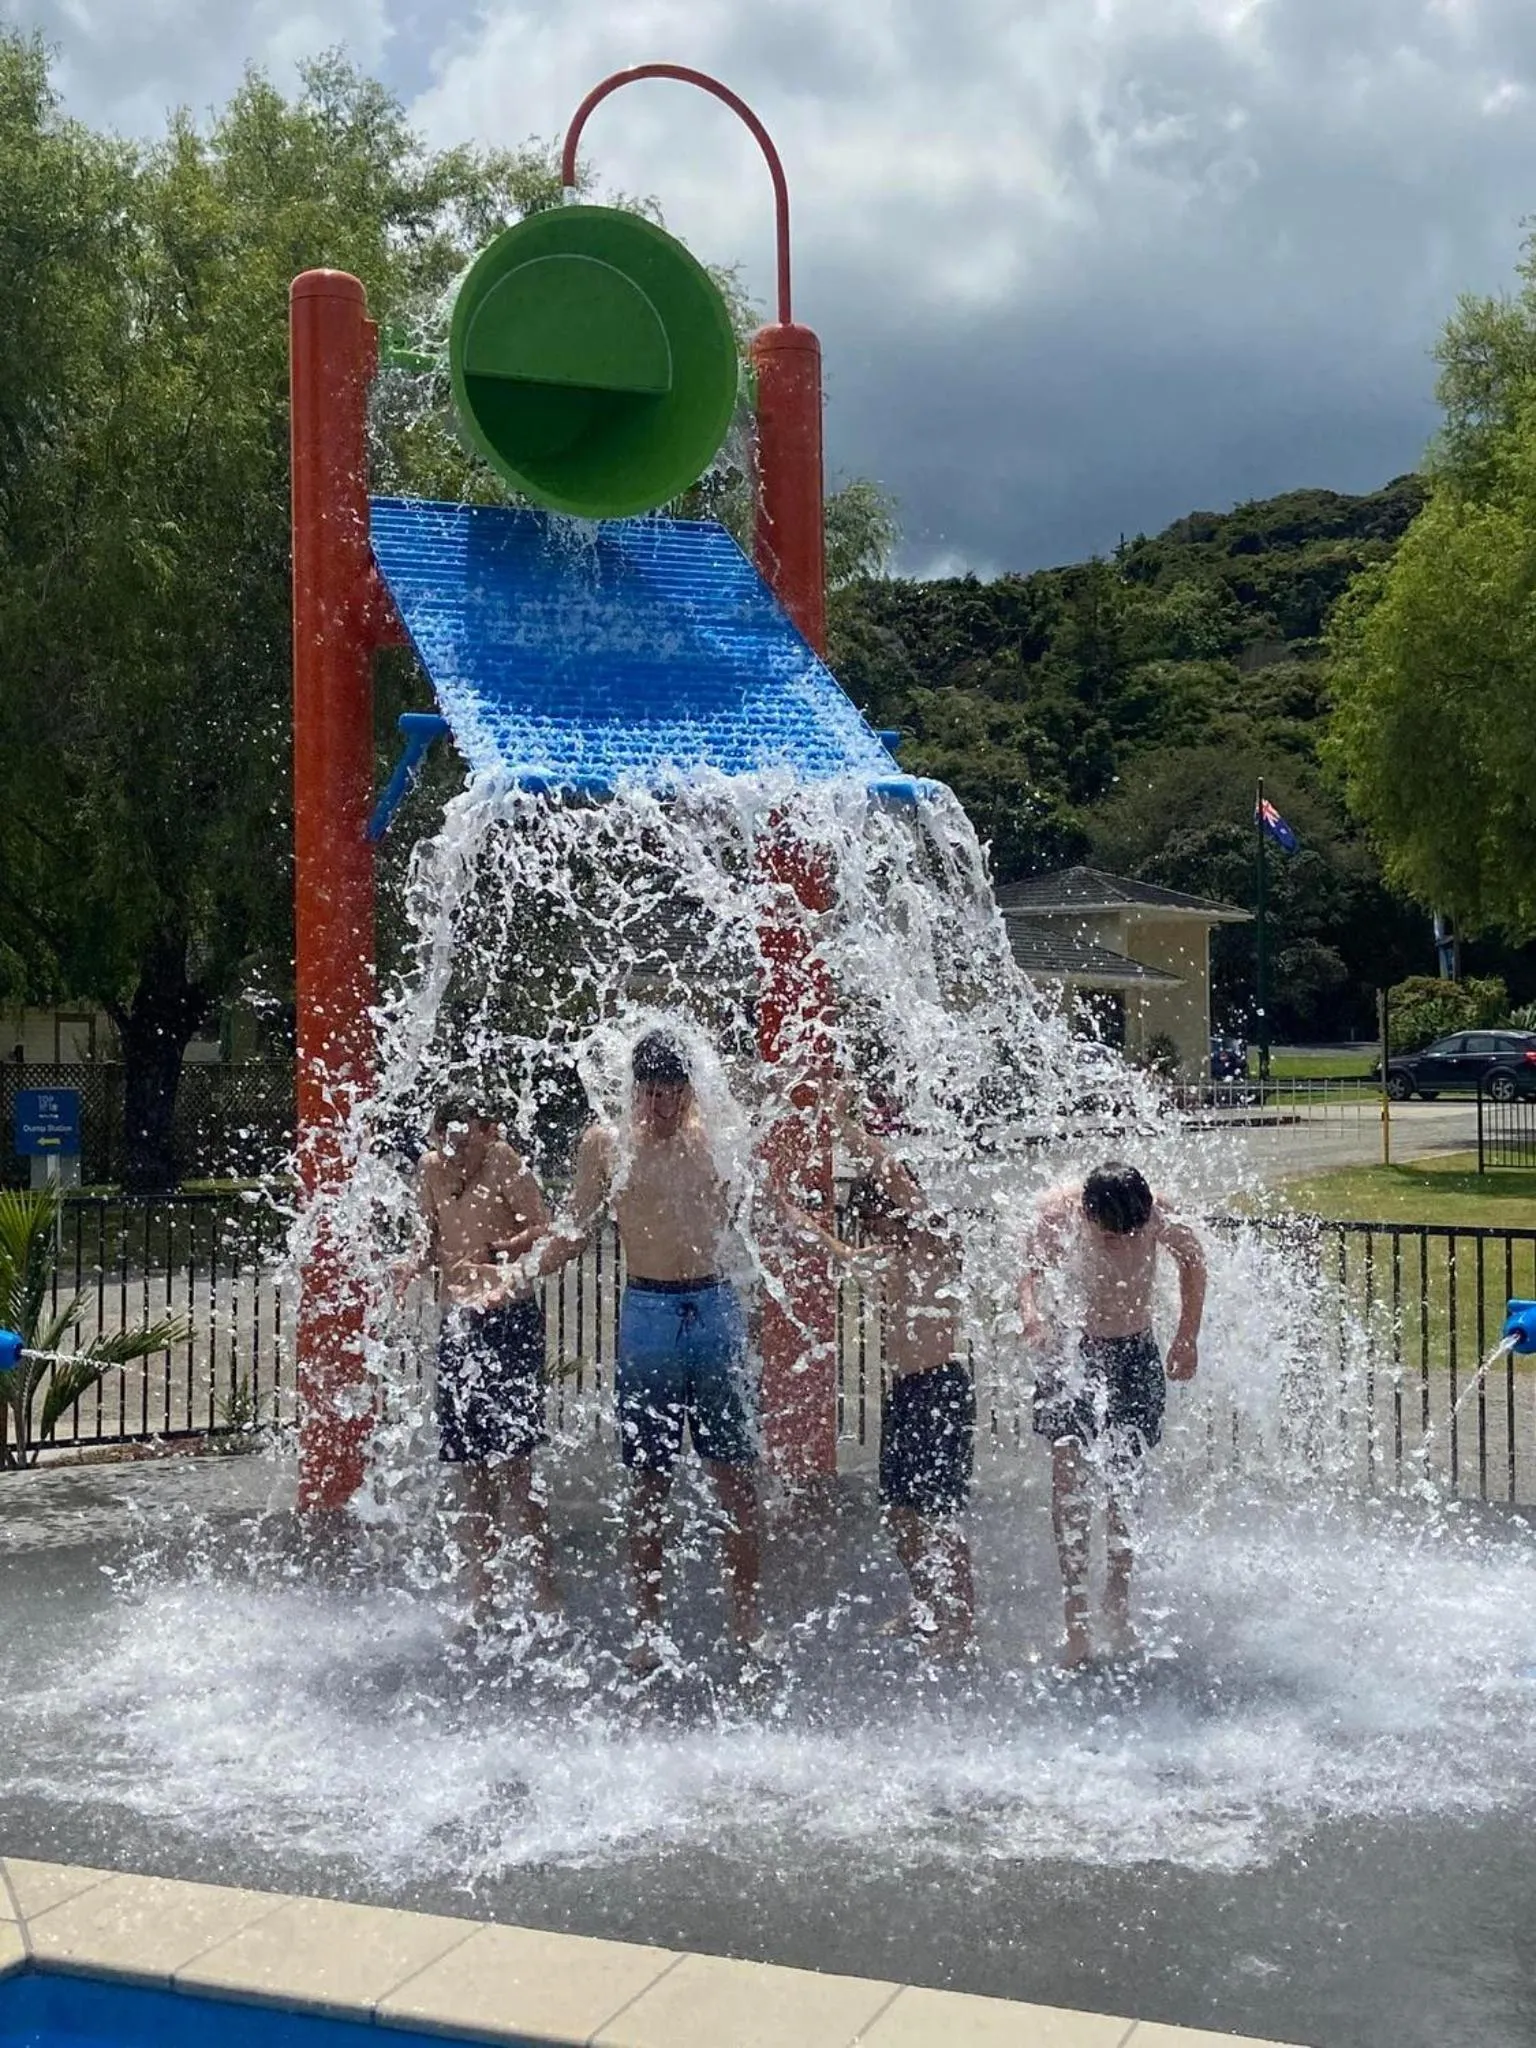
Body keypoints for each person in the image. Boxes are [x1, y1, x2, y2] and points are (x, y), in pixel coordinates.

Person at [509, 1030, 765, 1676]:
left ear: (689, 1090)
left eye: (673, 1093)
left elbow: (766, 1180)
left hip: (712, 1306)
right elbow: (574, 1227)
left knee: (734, 1477)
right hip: (646, 1312)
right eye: (650, 1093)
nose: (661, 1107)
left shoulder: (717, 1136)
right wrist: (516, 1277)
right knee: (649, 1482)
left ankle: (747, 1623)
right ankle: (648, 1628)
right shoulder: (607, 1145)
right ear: (634, 1090)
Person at [794, 1101, 976, 1654]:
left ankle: (962, 1621)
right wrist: (781, 1205)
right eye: (867, 1222)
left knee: (941, 1516)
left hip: (941, 1390)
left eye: (877, 1218)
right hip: (904, 1395)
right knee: (899, 1514)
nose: (873, 1229)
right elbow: (831, 1249)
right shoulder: (887, 1256)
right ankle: (924, 1602)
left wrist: (848, 1127)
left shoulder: (934, 1244)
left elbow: (896, 1179)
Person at [1019, 1161, 1206, 1670]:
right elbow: (1030, 1274)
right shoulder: (1058, 1211)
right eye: (1109, 1235)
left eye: (1133, 1234)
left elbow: (1193, 1261)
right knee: (1067, 1478)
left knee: (1125, 1482)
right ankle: (1076, 1612)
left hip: (1134, 1353)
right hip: (1074, 1353)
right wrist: (1032, 1314)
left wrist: (1187, 1334)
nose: (1123, 1243)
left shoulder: (1156, 1211)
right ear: (1086, 1212)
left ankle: (1117, 1599)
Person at [395, 1101, 559, 1636]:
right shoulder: (429, 1168)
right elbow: (428, 1237)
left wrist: (501, 1253)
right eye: (450, 1141)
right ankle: (481, 1591)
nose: (458, 1152)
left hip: (507, 1316)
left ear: (487, 1135)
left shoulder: (505, 1162)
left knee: (516, 1462)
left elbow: (543, 1227)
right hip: (459, 1323)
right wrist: (409, 1264)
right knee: (470, 1466)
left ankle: (543, 1587)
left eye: (467, 1141)